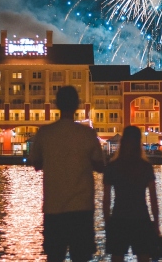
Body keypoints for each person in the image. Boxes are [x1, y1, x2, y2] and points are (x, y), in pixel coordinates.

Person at [29, 86, 106, 262]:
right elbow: (100, 166)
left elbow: (37, 164)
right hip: (82, 208)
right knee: (81, 256)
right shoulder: (87, 134)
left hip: (54, 209)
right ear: (77, 106)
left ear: (56, 105)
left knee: (55, 256)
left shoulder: (45, 133)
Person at [103, 126, 161, 262]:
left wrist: (107, 222)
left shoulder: (113, 167)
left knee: (117, 257)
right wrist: (156, 224)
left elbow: (106, 200)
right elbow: (153, 199)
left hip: (119, 217)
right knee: (144, 257)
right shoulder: (145, 167)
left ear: (122, 142)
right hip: (141, 217)